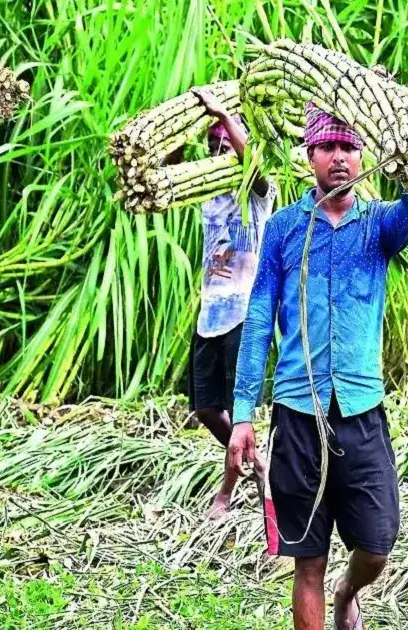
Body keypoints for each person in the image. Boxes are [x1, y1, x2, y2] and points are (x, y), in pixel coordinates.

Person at [227, 102, 408, 630]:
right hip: (297, 411)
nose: (339, 158)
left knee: (378, 542)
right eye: (328, 148)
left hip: (361, 409)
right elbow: (257, 319)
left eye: (349, 146)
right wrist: (243, 412)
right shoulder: (285, 229)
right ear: (310, 155)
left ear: (363, 154)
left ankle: (349, 592)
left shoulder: (380, 224)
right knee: (308, 558)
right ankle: (326, 596)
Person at [184, 87, 276, 519]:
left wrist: (224, 114)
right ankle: (258, 463)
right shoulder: (205, 190)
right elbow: (165, 175)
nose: (221, 150)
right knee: (204, 406)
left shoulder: (260, 191)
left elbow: (253, 170)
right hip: (209, 311)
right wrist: (182, 130)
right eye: (214, 142)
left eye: (228, 142)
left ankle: (226, 489)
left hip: (244, 311)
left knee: (240, 407)